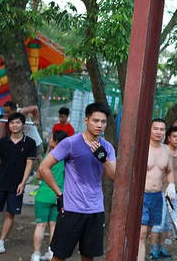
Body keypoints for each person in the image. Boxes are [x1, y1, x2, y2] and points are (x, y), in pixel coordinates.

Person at [37, 102, 116, 261]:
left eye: (103, 122)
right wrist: (59, 194)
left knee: (88, 256)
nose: (99, 125)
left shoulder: (107, 147)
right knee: (59, 256)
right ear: (86, 120)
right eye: (95, 120)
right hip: (72, 209)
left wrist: (103, 159)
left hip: (95, 210)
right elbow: (43, 168)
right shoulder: (71, 143)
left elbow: (114, 176)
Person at [0, 112, 37, 254]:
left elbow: (29, 164)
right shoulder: (2, 142)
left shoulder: (30, 143)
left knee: (10, 213)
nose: (15, 125)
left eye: (18, 122)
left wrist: (23, 183)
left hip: (16, 185)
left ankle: (1, 241)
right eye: (12, 123)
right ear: (9, 125)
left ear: (23, 124)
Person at [138, 119, 176, 261]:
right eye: (156, 128)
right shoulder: (142, 148)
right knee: (141, 233)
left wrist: (171, 184)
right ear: (150, 129)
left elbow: (170, 170)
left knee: (147, 232)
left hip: (157, 196)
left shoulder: (166, 150)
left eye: (161, 129)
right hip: (143, 195)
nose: (158, 132)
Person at [150, 125, 177, 258]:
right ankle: (153, 249)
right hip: (160, 193)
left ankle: (161, 248)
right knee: (158, 223)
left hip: (173, 194)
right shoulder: (164, 151)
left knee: (167, 224)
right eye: (174, 137)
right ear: (169, 138)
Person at [32, 131, 68, 261]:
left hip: (43, 195)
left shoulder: (50, 157)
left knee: (40, 225)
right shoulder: (67, 158)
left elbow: (38, 176)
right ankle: (51, 253)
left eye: (52, 138)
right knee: (54, 225)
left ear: (56, 141)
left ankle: (36, 254)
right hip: (59, 196)